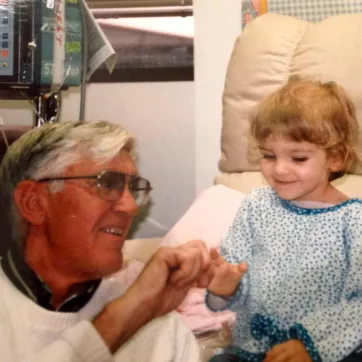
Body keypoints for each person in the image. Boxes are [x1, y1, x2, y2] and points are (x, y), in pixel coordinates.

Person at [0, 120, 213, 362]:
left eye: (133, 188)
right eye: (107, 184)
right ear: (34, 203)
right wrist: (125, 316)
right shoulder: (139, 306)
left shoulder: (163, 329)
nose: (131, 206)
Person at [205, 78, 362, 362]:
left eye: (298, 158)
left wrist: (310, 345)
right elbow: (235, 272)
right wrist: (225, 287)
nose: (279, 169)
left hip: (328, 350)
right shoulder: (256, 205)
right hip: (252, 349)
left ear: (336, 158)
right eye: (268, 155)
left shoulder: (353, 220)